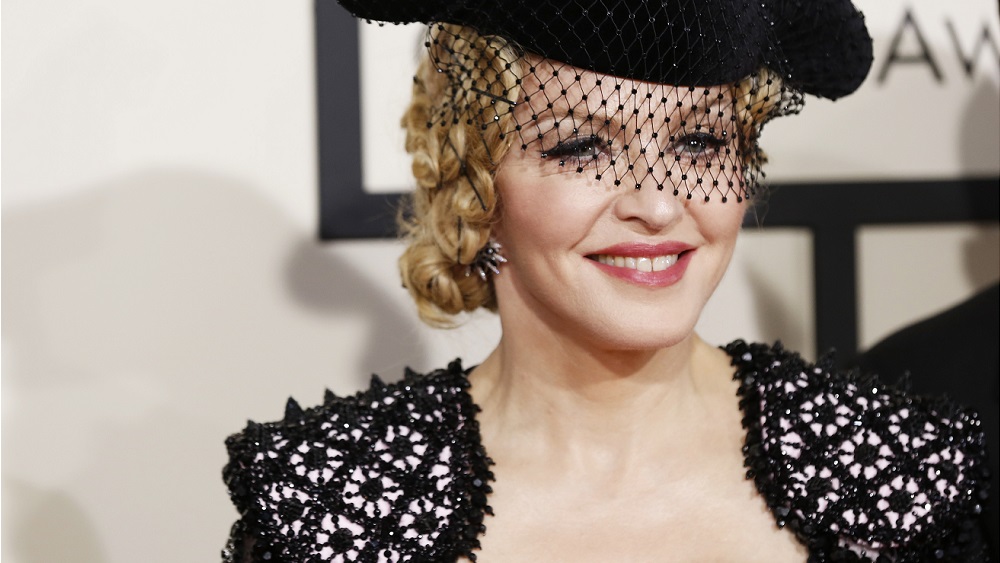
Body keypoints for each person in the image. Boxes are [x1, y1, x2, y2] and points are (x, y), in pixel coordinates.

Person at [221, 1, 989, 561]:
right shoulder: (337, 502)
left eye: (698, 142)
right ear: (477, 181)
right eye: (580, 148)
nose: (657, 205)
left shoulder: (888, 473)